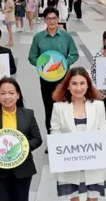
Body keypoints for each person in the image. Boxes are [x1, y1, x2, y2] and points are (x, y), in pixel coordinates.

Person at [50, 68, 106, 201]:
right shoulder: (59, 107)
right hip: (70, 162)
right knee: (75, 200)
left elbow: (102, 130)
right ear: (68, 85)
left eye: (82, 83)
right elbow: (55, 131)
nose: (78, 87)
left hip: (92, 161)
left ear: (88, 85)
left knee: (92, 199)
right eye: (74, 83)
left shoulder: (98, 106)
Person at [28, 7, 80, 138]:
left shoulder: (66, 36)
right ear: (44, 20)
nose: (51, 21)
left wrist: (65, 64)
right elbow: (32, 57)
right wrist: (41, 65)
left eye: (54, 18)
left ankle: (67, 136)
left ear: (58, 19)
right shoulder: (38, 38)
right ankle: (52, 137)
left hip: (64, 79)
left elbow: (74, 54)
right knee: (49, 108)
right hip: (46, 80)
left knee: (65, 107)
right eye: (48, 18)